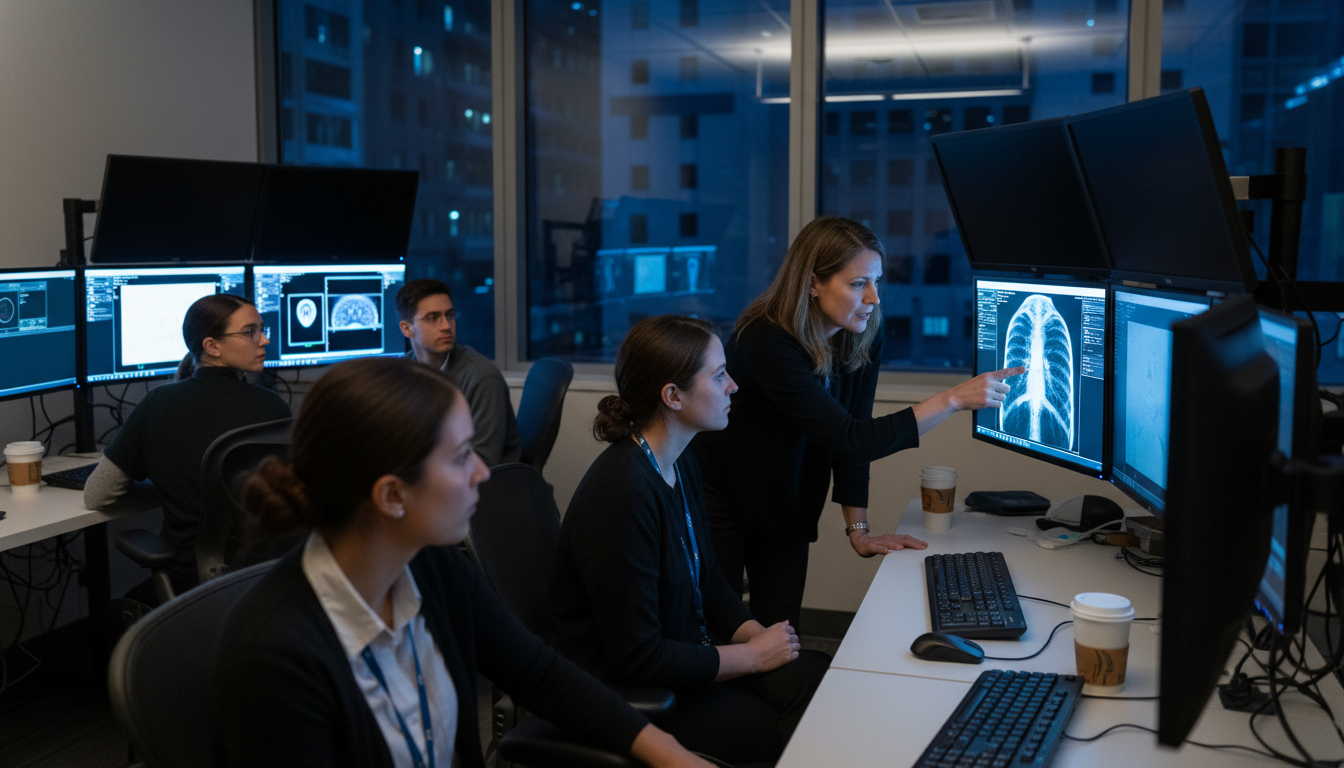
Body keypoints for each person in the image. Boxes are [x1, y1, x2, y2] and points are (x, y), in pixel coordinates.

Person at [212, 357, 712, 768]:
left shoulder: (432, 568)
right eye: (460, 457)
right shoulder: (274, 656)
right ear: (392, 495)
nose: (481, 473)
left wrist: (667, 752)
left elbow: (541, 675)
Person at [691, 216, 1025, 630]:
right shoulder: (767, 339)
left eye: (877, 282)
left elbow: (852, 430)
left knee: (780, 635)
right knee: (722, 632)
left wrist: (859, 530)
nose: (874, 298)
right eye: (857, 284)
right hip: (719, 494)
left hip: (785, 502)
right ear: (813, 283)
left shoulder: (861, 332)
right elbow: (851, 440)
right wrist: (953, 399)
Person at [547, 315, 829, 766]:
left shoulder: (682, 460)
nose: (734, 386)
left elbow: (710, 579)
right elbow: (639, 659)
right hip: (629, 695)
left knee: (816, 676)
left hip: (682, 659)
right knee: (781, 723)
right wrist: (752, 657)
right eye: (719, 376)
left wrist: (759, 637)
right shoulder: (622, 495)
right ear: (672, 396)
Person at [85, 294, 291, 597]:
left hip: (191, 584)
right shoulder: (272, 407)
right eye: (250, 332)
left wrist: (169, 482)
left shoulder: (158, 404)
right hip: (263, 576)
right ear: (212, 346)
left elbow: (96, 495)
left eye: (262, 329)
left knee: (121, 608)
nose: (264, 341)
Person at [396, 278, 520, 466]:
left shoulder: (481, 377)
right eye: (433, 318)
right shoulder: (403, 371)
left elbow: (483, 460)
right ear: (407, 329)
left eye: (450, 315)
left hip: (485, 486)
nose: (446, 326)